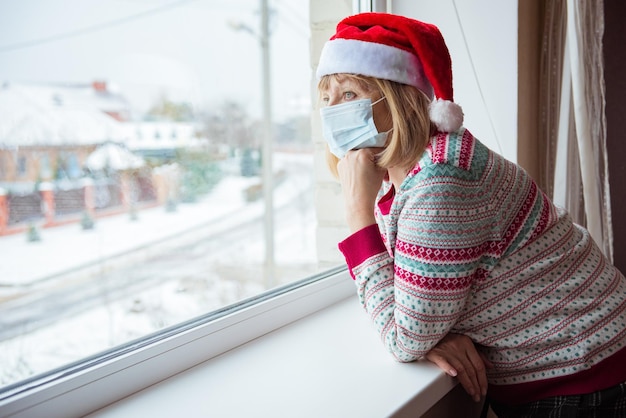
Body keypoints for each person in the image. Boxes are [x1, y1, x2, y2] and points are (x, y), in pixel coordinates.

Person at [316, 12, 626, 417]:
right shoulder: (410, 172)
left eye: (349, 95)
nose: (331, 112)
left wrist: (358, 215)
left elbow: (405, 338)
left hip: (583, 372)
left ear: (397, 96)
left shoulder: (441, 181)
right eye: (326, 99)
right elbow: (415, 301)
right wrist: (431, 332)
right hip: (566, 364)